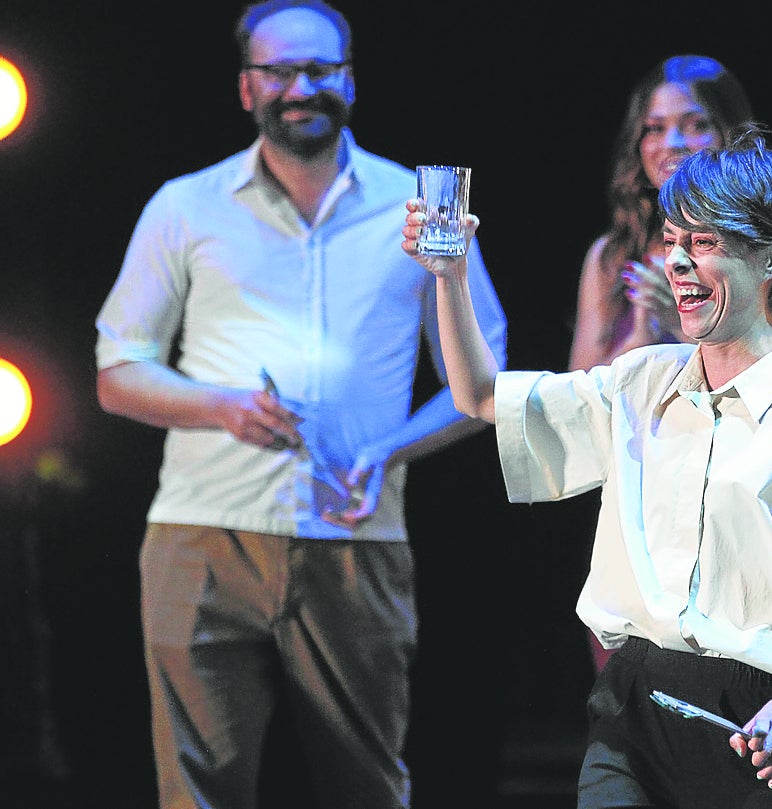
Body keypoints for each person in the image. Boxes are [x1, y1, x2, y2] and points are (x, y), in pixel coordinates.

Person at [402, 125, 772, 808]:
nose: (677, 261)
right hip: (632, 705)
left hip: (757, 722)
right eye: (673, 240)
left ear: (771, 259)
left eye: (703, 243)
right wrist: (451, 275)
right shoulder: (642, 380)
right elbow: (481, 395)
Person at [93, 2, 507, 807]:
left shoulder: (418, 205)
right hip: (201, 531)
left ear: (349, 79)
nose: (300, 87)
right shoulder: (185, 205)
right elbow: (117, 372)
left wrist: (387, 450)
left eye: (320, 69)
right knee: (196, 791)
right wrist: (221, 406)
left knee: (368, 786)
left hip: (356, 536)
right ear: (247, 87)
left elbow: (481, 381)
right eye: (280, 71)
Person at [568, 55, 772, 670]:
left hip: (746, 516)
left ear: (729, 135)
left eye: (693, 124)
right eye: (655, 129)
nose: (671, 144)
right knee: (630, 712)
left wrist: (693, 325)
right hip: (642, 511)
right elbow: (586, 397)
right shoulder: (613, 258)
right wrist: (644, 326)